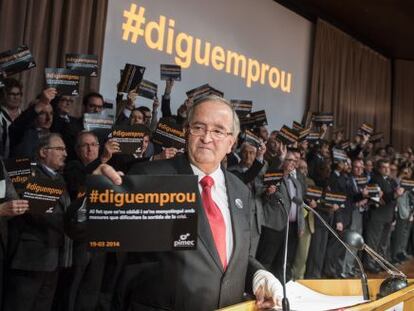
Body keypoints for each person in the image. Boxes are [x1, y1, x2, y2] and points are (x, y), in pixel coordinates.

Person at [71, 95, 281, 310]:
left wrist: (258, 275)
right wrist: (93, 196)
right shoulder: (151, 176)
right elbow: (82, 229)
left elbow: (230, 256)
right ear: (186, 131)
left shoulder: (239, 190)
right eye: (199, 127)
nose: (207, 138)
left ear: (231, 143)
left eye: (218, 131)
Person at [4, 133, 72, 311]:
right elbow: (39, 212)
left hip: (54, 258)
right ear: (43, 151)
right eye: (60, 149)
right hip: (31, 259)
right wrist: (74, 225)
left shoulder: (59, 178)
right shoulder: (27, 174)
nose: (65, 154)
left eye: (65, 149)